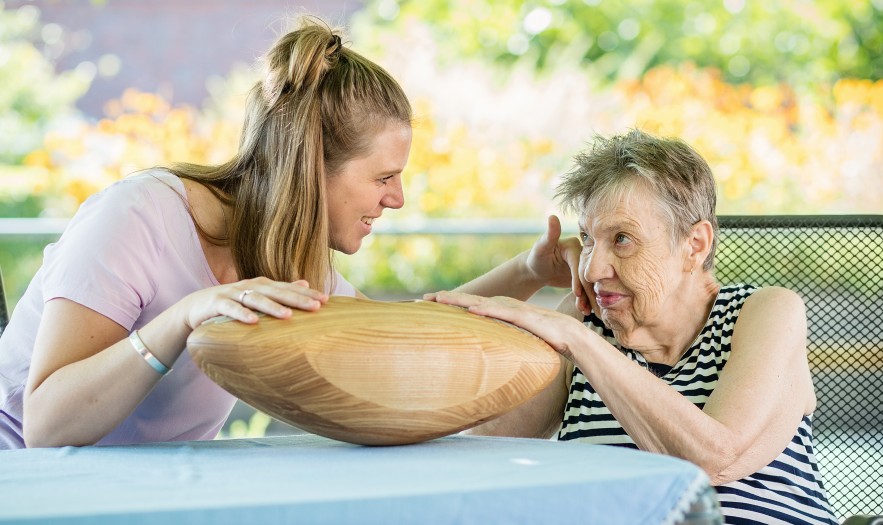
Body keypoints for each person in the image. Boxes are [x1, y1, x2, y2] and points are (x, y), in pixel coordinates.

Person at [0, 18, 580, 449]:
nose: (397, 198)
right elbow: (48, 424)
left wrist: (528, 273)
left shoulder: (290, 262)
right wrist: (184, 317)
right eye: (383, 176)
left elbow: (408, 337)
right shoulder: (137, 216)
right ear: (310, 166)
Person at [428, 129, 838, 524]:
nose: (591, 267)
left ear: (694, 245)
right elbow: (479, 449)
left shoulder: (765, 311)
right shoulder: (588, 319)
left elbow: (715, 459)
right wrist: (526, 272)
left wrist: (577, 340)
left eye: (622, 239)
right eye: (587, 238)